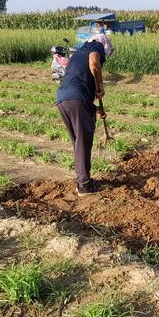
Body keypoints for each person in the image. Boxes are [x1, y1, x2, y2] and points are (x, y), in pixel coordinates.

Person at [55, 33, 114, 196]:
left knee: (78, 143)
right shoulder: (96, 46)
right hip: (76, 99)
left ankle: (82, 180)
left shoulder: (78, 54)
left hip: (63, 100)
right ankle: (84, 186)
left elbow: (79, 81)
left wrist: (94, 109)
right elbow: (94, 63)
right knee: (82, 143)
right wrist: (100, 86)